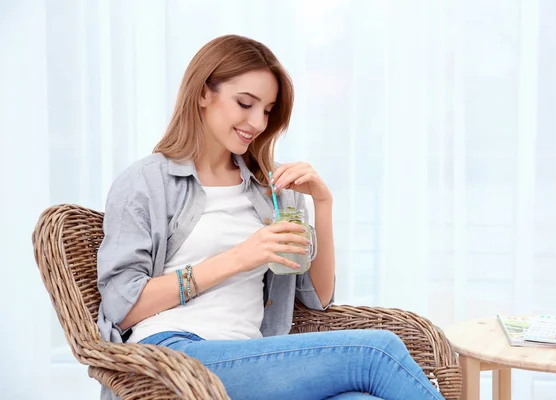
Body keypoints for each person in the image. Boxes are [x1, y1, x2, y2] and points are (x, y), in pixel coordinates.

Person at [96, 34, 445, 400]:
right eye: (245, 103)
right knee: (377, 352)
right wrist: (240, 257)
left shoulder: (271, 188)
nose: (257, 122)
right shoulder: (147, 181)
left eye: (267, 109)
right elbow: (122, 307)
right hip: (171, 358)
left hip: (250, 358)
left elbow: (318, 298)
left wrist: (323, 205)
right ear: (203, 93)